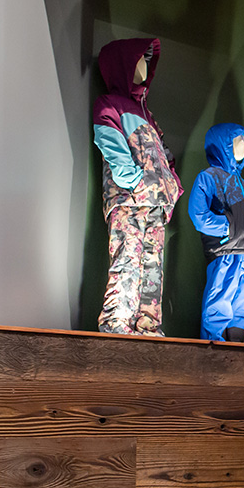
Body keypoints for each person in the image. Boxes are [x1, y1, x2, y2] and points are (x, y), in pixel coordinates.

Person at [91, 38, 182, 336]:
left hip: (157, 203)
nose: (145, 64)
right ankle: (116, 322)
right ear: (123, 64)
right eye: (139, 58)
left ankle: (148, 323)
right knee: (126, 261)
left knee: (153, 267)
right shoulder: (110, 105)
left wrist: (173, 186)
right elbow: (110, 142)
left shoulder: (147, 115)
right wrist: (132, 179)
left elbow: (164, 155)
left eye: (146, 58)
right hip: (128, 200)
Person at [188, 123, 244, 342]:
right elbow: (199, 215)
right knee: (220, 298)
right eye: (237, 141)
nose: (242, 146)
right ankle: (214, 345)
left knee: (241, 301)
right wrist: (228, 228)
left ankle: (240, 343)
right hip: (222, 252)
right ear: (222, 145)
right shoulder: (208, 177)